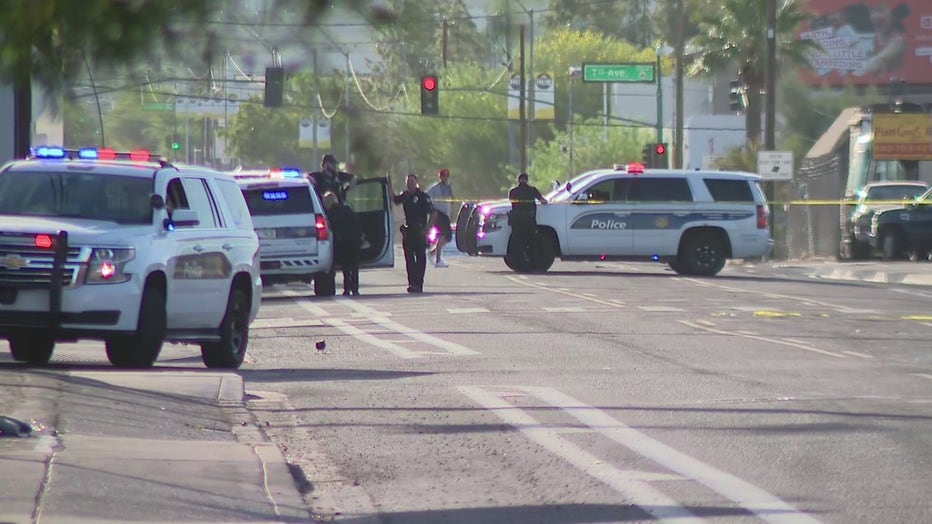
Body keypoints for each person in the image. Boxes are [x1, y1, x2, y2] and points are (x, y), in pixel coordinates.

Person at [392, 174, 436, 293]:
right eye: (408, 181)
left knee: (420, 258)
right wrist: (388, 184)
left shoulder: (423, 197)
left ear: (416, 182)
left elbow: (433, 213)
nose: (409, 183)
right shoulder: (405, 195)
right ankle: (412, 283)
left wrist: (427, 229)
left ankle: (419, 283)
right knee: (409, 259)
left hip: (420, 231)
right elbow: (395, 200)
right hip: (409, 231)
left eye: (412, 181)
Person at [322, 191, 361, 295]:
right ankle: (355, 289)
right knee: (354, 266)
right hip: (353, 241)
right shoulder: (347, 209)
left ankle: (347, 288)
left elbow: (332, 228)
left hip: (342, 242)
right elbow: (356, 223)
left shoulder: (329, 214)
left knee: (346, 267)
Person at [507, 172, 547, 264]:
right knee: (531, 239)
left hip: (516, 220)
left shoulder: (513, 191)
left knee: (517, 240)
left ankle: (516, 260)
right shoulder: (532, 190)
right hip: (529, 219)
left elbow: (511, 202)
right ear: (527, 180)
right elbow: (543, 201)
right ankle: (532, 260)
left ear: (518, 180)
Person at [424, 168, 455, 268]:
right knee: (442, 236)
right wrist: (431, 208)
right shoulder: (435, 188)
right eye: (443, 176)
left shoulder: (448, 187)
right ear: (440, 177)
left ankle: (432, 252)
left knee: (447, 237)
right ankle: (438, 260)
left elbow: (452, 199)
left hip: (445, 214)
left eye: (446, 176)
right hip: (438, 213)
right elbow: (425, 196)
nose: (444, 178)